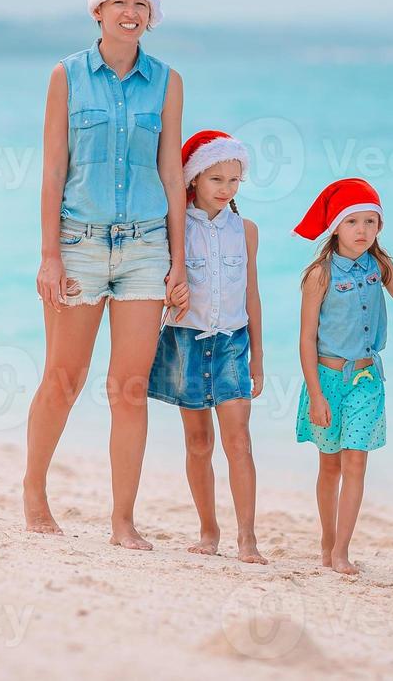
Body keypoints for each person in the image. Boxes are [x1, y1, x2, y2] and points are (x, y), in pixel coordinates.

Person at [23, 0, 188, 550]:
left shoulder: (168, 81)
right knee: (64, 377)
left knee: (129, 387)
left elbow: (171, 170)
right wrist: (50, 255)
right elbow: (53, 168)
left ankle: (122, 520)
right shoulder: (67, 76)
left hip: (147, 247)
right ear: (98, 10)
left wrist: (179, 259)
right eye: (121, 2)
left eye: (141, 4)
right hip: (79, 244)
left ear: (151, 15)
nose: (130, 13)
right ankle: (34, 493)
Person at [146, 130, 266, 564]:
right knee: (198, 441)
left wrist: (258, 355)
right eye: (216, 179)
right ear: (194, 179)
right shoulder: (172, 226)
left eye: (234, 181)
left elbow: (252, 295)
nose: (226, 189)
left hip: (233, 344)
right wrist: (168, 294)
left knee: (240, 442)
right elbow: (160, 280)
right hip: (186, 344)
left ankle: (247, 539)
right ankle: (208, 530)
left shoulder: (246, 231)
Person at [294, 178, 393, 576]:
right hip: (327, 381)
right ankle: (327, 541)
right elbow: (306, 339)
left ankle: (342, 551)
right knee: (329, 467)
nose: (363, 231)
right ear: (336, 226)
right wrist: (315, 395)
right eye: (353, 222)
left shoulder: (380, 266)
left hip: (366, 382)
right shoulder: (319, 274)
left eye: (370, 221)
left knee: (356, 464)